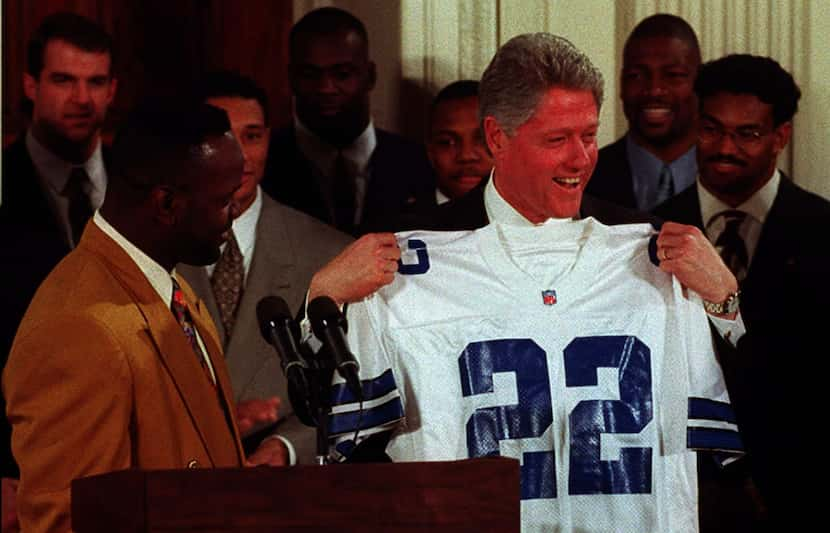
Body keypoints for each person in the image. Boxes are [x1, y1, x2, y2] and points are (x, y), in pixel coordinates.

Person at [327, 34, 743, 532]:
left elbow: (754, 430)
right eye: (557, 140)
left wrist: (726, 302)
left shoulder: (653, 253)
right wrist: (323, 300)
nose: (580, 158)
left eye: (588, 136)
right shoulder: (404, 264)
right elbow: (347, 454)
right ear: (498, 137)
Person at [3, 101, 288, 532]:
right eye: (224, 201)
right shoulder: (79, 329)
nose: (236, 214)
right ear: (167, 203)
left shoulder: (170, 286)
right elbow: (70, 522)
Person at [178, 72, 400, 464]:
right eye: (225, 138)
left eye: (253, 136)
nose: (241, 156)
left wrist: (286, 447)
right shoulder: (160, 247)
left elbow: (354, 386)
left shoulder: (330, 252)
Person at [654, 54, 830, 525]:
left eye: (747, 133)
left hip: (801, 488)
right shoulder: (646, 229)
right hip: (681, 490)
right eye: (711, 129)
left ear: (781, 137)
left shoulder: (823, 231)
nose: (724, 147)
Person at [0, 12, 116, 529]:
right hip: (15, 465)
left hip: (125, 464)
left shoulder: (144, 182)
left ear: (113, 89)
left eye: (95, 82)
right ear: (30, 84)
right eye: (63, 80)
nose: (82, 99)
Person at [261, 7, 436, 236]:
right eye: (310, 75)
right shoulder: (263, 165)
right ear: (292, 78)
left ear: (370, 76)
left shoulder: (419, 163)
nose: (326, 88)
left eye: (342, 74)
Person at [587, 13, 700, 211]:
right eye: (637, 76)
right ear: (621, 83)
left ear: (700, 82)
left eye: (673, 75)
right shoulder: (583, 177)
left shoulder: (733, 177)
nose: (654, 90)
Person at [426, 80, 492, 204]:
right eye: (447, 142)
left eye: (483, 140)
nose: (466, 155)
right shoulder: (395, 221)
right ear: (430, 151)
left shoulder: (533, 220)